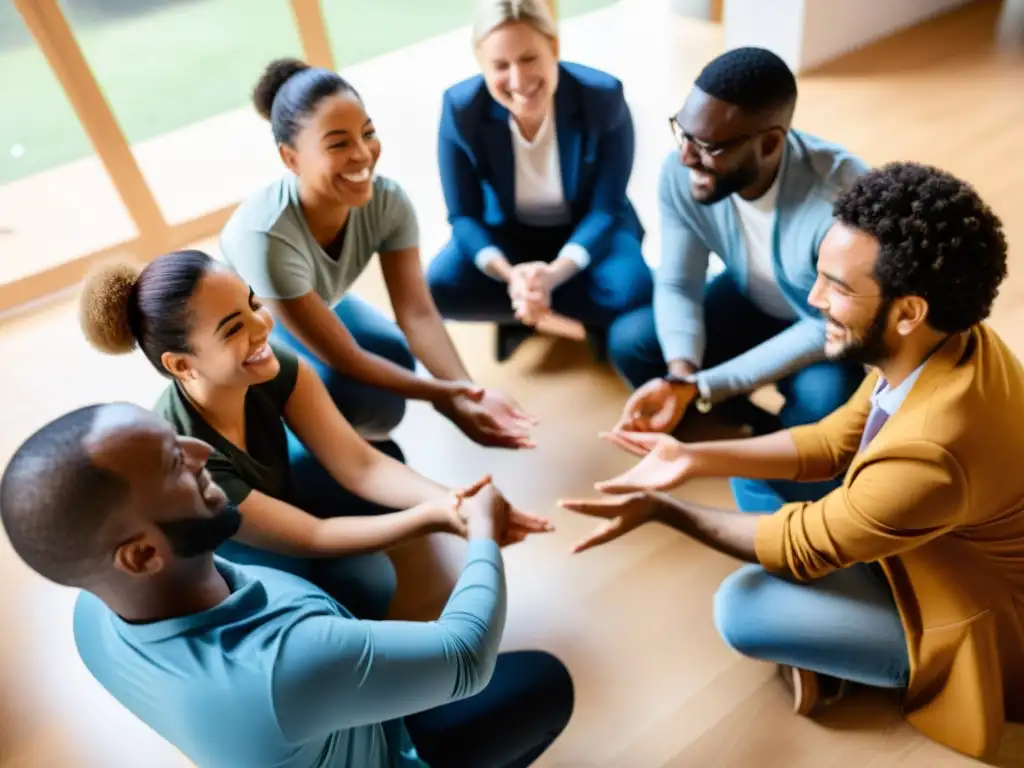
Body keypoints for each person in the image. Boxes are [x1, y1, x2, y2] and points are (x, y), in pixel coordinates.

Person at [563, 162, 1024, 760]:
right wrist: (690, 457)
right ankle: (834, 628)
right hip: (910, 527)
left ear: (908, 310)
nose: (813, 299)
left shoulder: (931, 450)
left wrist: (666, 511)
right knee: (749, 476)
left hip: (958, 598)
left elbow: (801, 545)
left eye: (838, 287)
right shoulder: (946, 339)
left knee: (742, 609)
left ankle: (853, 668)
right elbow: (833, 441)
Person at [0, 402, 574, 768]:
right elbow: (466, 657)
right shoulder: (284, 666)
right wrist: (481, 533)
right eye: (175, 463)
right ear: (144, 553)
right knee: (548, 682)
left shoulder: (92, 616)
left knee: (361, 576)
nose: (203, 453)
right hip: (383, 746)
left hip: (297, 723)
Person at [79, 252, 553, 620]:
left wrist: (455, 500)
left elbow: (360, 463)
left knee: (387, 472)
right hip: (240, 556)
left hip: (282, 499)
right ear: (182, 365)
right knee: (365, 582)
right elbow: (313, 535)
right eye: (232, 329)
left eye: (253, 304)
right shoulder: (191, 461)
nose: (262, 326)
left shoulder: (271, 363)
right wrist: (435, 518)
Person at [220, 58, 534, 451]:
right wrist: (445, 399)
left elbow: (417, 313)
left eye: (367, 133)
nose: (363, 155)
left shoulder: (387, 200)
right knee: (356, 393)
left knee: (394, 356)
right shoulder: (265, 238)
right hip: (258, 331)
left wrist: (466, 392)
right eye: (338, 143)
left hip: (317, 298)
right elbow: (345, 358)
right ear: (291, 159)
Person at [610, 46, 868, 441]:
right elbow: (679, 283)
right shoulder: (682, 174)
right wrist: (681, 375)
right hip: (749, 295)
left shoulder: (842, 202)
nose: (685, 157)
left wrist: (706, 384)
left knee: (825, 403)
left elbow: (826, 325)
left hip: (820, 325)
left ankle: (767, 444)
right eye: (683, 131)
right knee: (632, 341)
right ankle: (736, 419)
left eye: (709, 147)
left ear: (769, 144)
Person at [425, 0, 654, 362]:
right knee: (439, 286)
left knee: (635, 289)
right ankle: (546, 314)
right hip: (509, 236)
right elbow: (462, 216)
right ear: (481, 66)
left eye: (529, 58)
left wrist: (553, 275)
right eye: (500, 65)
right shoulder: (460, 108)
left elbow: (607, 207)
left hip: (588, 232)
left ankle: (537, 311)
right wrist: (513, 277)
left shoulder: (603, 96)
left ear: (555, 48)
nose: (518, 81)